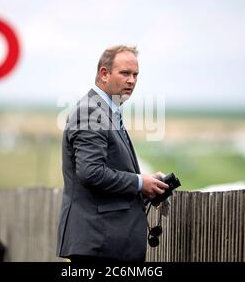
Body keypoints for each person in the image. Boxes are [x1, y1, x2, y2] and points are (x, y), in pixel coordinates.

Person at [56, 45, 169, 262]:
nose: (132, 80)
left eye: (135, 75)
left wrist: (146, 184)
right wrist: (138, 182)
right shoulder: (91, 111)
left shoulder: (105, 110)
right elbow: (90, 172)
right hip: (99, 243)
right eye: (125, 73)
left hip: (106, 243)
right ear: (104, 74)